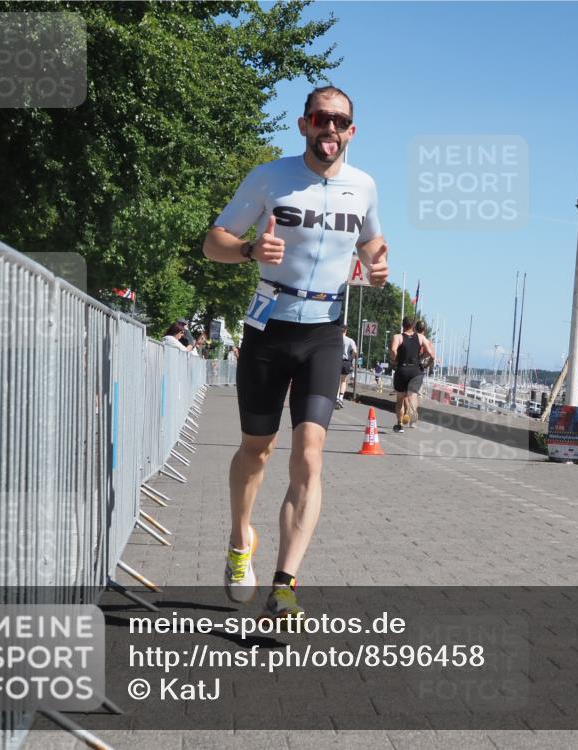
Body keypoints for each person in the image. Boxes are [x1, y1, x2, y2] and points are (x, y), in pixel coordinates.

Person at [201, 85, 388, 620]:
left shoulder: (364, 187)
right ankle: (240, 542)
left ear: (352, 131)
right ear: (305, 125)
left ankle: (284, 583)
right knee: (255, 451)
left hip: (324, 333)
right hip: (269, 329)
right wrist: (247, 249)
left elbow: (372, 242)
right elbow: (212, 242)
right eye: (321, 119)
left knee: (309, 456)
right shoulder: (270, 177)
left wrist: (376, 263)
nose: (330, 129)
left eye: (340, 122)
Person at [389, 317, 428, 433]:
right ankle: (411, 416)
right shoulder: (421, 337)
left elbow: (392, 349)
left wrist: (395, 360)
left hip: (402, 369)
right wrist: (421, 359)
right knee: (413, 395)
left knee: (400, 398)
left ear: (403, 325)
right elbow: (430, 352)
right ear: (413, 326)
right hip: (416, 370)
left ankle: (399, 424)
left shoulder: (398, 337)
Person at [409, 320, 435, 427]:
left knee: (406, 394)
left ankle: (405, 415)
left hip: (408, 367)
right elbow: (432, 356)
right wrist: (426, 365)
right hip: (419, 370)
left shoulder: (410, 338)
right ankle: (413, 420)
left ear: (415, 328)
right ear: (424, 330)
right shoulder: (427, 341)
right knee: (415, 395)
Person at [336, 325, 357, 408]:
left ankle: (336, 398)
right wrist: (351, 358)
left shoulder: (336, 339)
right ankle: (341, 398)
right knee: (343, 380)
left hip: (336, 361)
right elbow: (355, 351)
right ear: (346, 331)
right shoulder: (350, 340)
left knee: (337, 381)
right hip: (346, 362)